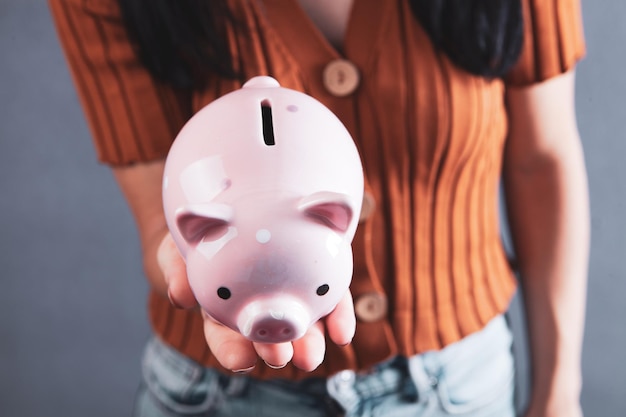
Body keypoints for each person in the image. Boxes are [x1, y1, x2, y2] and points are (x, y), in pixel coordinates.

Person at [48, 0, 589, 416]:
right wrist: (192, 266)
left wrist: (558, 391)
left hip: (464, 385)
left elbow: (541, 162)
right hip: (220, 393)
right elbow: (160, 220)